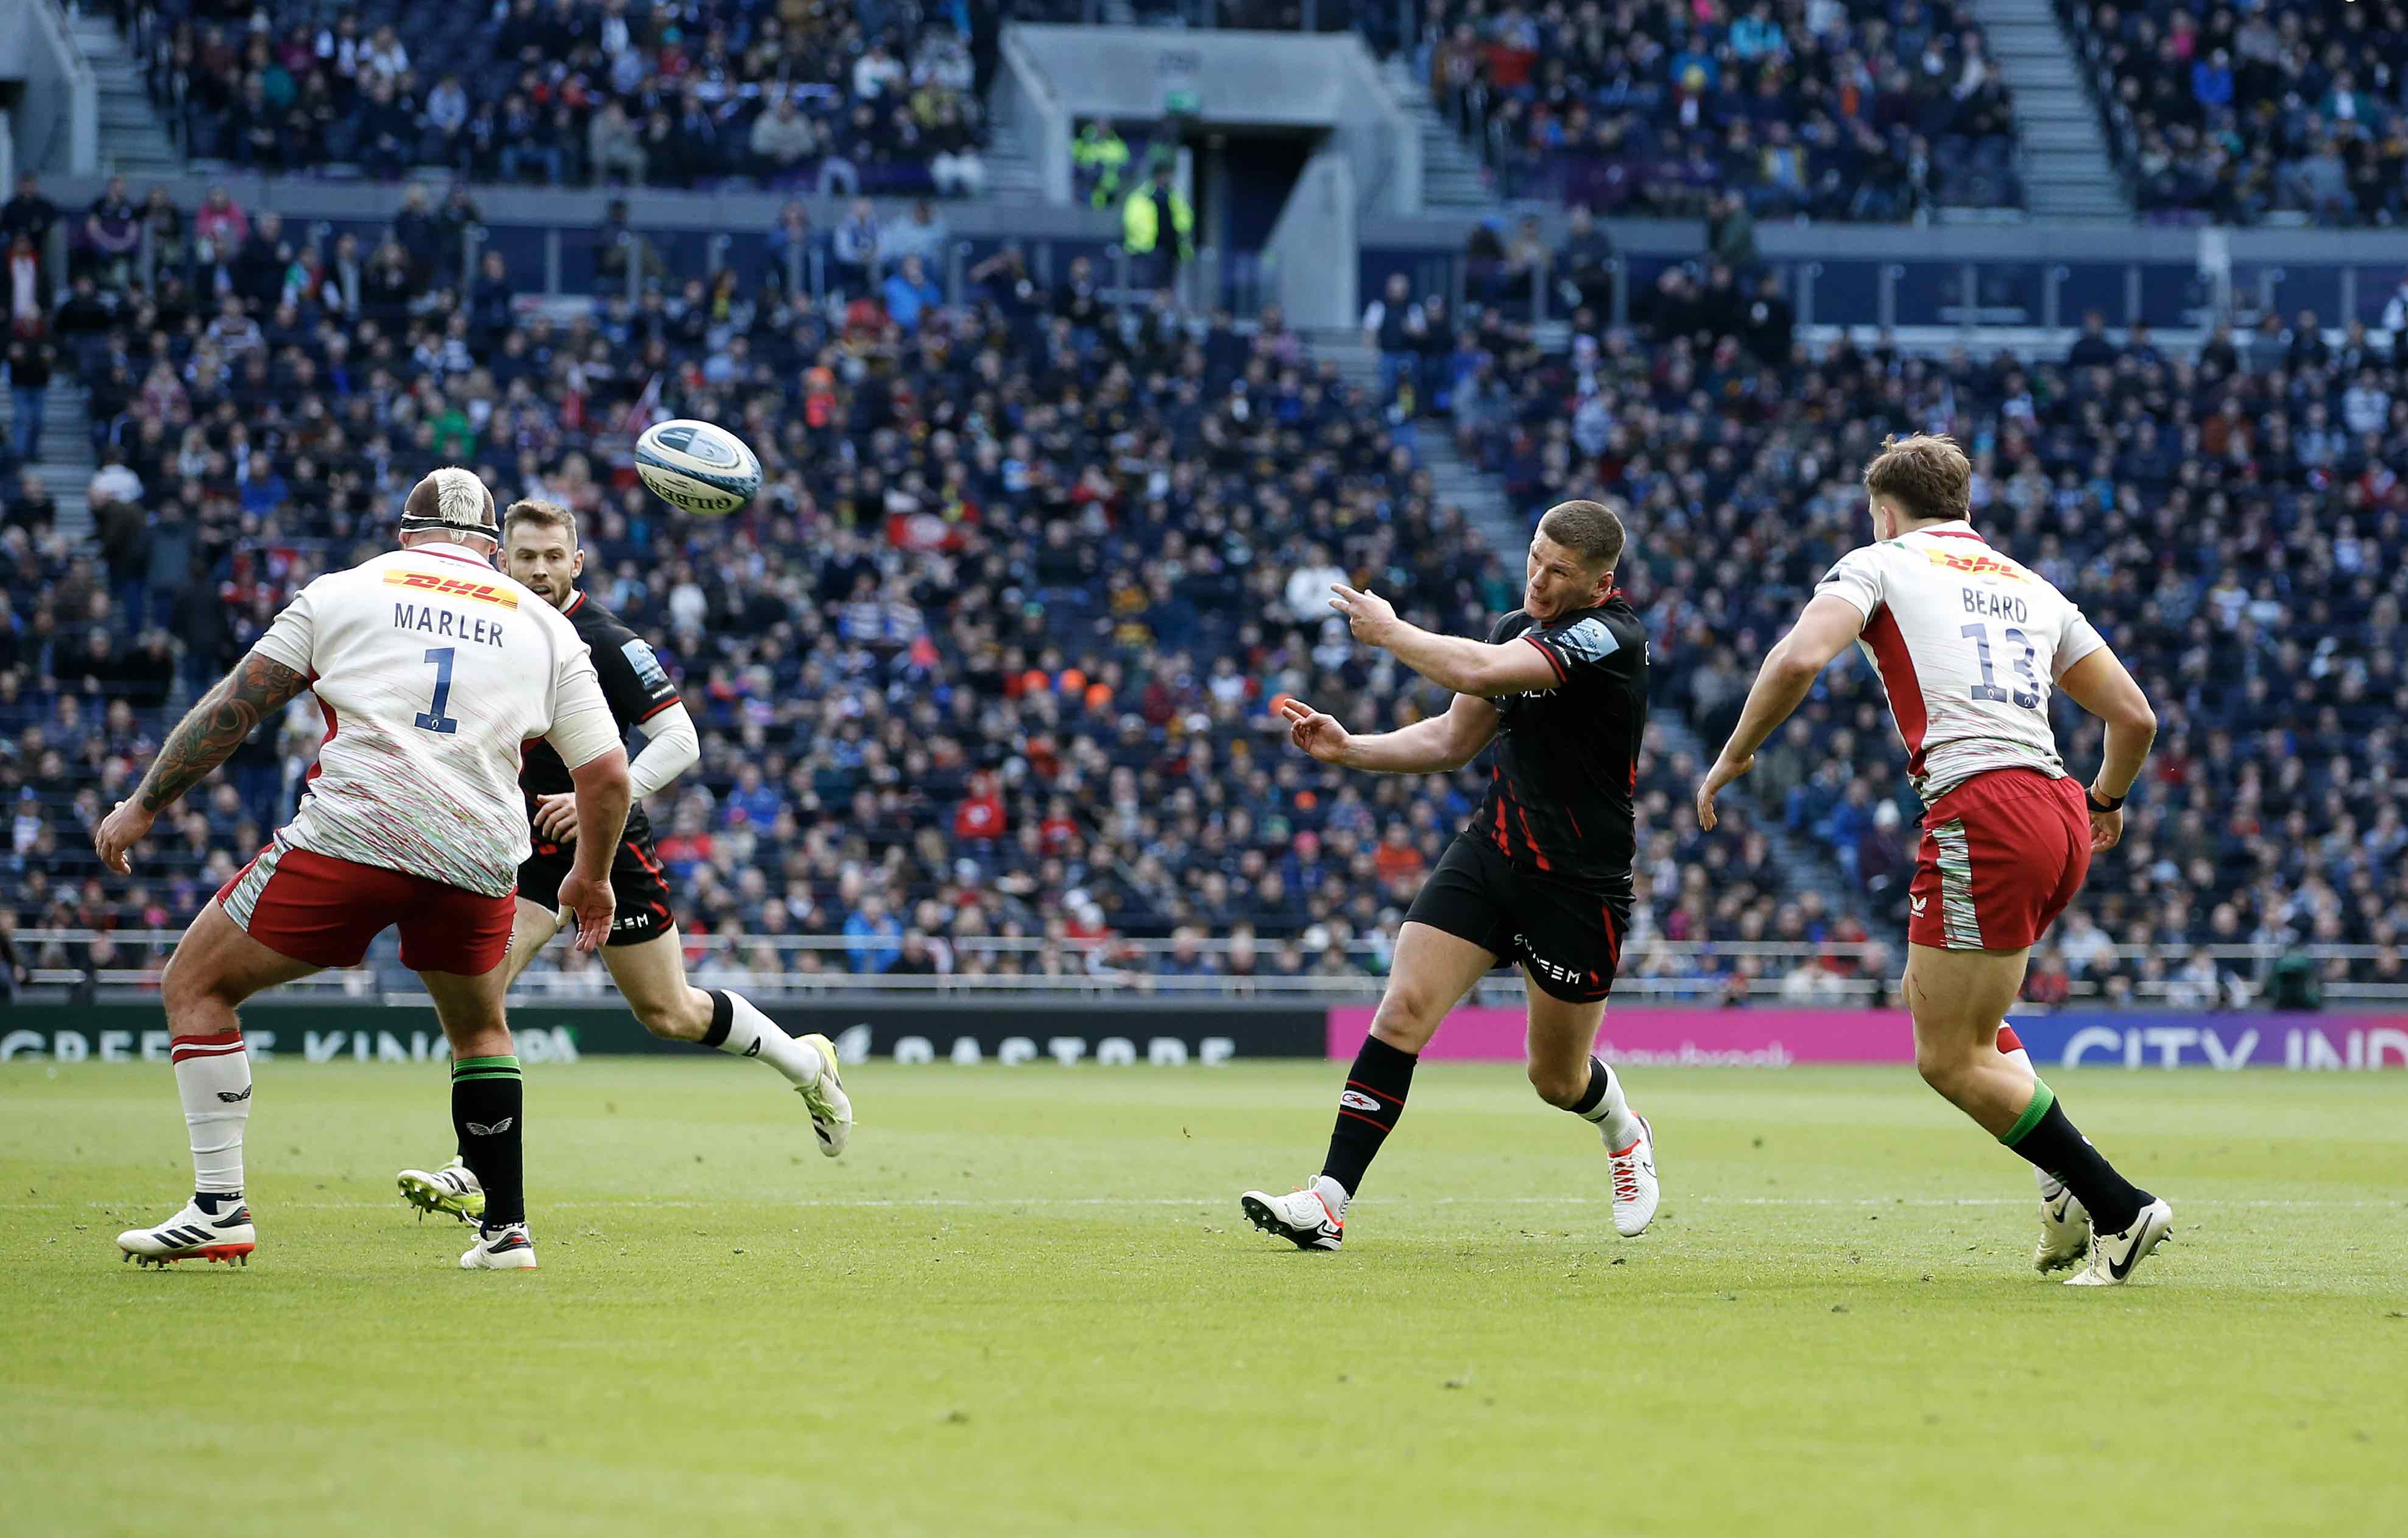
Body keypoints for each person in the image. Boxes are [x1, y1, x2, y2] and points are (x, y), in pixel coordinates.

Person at [93, 468, 634, 1272]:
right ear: (492, 547)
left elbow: (232, 709)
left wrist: (143, 804)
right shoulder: (549, 628)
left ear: (405, 532)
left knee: (195, 986)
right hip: (478, 854)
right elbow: (609, 776)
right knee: (481, 1027)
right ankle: (507, 1232)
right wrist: (590, 876)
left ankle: (218, 1208)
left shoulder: (345, 591)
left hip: (355, 837)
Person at [1694, 434, 2172, 1286]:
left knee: (1947, 1058)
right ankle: (2062, 1188)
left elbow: (1799, 656)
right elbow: (2134, 717)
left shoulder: (1879, 563)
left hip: (1981, 807)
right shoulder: (2031, 586)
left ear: (1883, 509)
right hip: (2057, 806)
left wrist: (1736, 753)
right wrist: (2107, 801)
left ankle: (2117, 1205)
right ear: (1965, 506)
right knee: (1956, 1015)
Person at [395, 501, 850, 1223]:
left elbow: (680, 738)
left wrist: (604, 793)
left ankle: (804, 1063)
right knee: (477, 995)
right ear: (500, 560)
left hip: (601, 836)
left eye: (552, 556)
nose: (538, 569)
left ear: (576, 562)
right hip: (516, 842)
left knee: (667, 1012)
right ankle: (475, 1164)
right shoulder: (486, 627)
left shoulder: (606, 640)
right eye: (525, 556)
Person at [1240, 500, 1659, 1251]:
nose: (1537, 575)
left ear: (1600, 585)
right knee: (1402, 1009)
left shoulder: (1610, 637)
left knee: (1555, 1078)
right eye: (1535, 555)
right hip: (1494, 852)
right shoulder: (1512, 626)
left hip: (1578, 882)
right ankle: (1327, 1202)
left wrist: (1390, 631)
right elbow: (1450, 738)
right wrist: (1349, 748)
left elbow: (1480, 667)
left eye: (1558, 570)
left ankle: (1624, 1131)